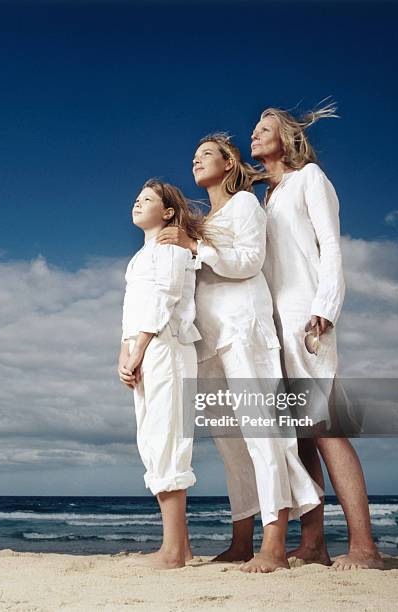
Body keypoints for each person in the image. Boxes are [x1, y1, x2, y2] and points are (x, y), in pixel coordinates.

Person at [157, 134, 322, 573]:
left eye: (206, 154)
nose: (196, 160)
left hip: (245, 331)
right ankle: (241, 540)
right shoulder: (203, 221)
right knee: (231, 446)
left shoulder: (246, 205)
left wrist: (196, 248)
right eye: (193, 155)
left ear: (230, 164)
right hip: (208, 342)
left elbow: (248, 261)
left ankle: (274, 543)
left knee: (263, 436)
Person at [250, 101, 383, 570]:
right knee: (301, 436)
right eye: (254, 129)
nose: (255, 134)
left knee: (325, 429)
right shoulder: (264, 195)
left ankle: (364, 547)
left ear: (286, 138)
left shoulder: (310, 179)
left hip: (307, 316)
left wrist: (325, 309)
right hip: (272, 326)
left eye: (265, 128)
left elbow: (331, 248)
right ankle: (313, 544)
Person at [118, 178, 205, 569]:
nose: (138, 203)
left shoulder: (172, 245)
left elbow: (165, 298)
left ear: (168, 211)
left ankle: (173, 552)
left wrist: (139, 347)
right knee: (152, 441)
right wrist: (125, 351)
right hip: (145, 349)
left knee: (169, 440)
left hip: (167, 347)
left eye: (147, 199)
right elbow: (131, 310)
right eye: (136, 198)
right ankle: (178, 548)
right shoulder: (139, 258)